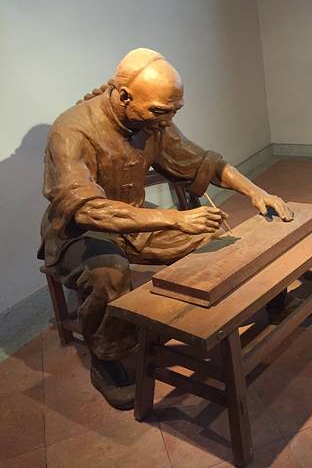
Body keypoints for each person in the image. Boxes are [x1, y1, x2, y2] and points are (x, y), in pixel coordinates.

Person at [38, 48, 294, 410]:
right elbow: (86, 209)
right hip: (79, 230)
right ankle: (107, 359)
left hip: (135, 220)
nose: (167, 120)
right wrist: (175, 218)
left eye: (175, 111)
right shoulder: (70, 131)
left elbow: (204, 163)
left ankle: (229, 311)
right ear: (124, 96)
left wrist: (256, 191)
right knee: (109, 273)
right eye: (161, 111)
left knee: (213, 235)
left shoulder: (154, 122)